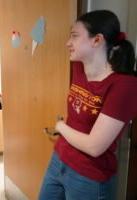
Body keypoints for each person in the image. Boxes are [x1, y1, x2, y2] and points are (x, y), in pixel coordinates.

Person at [39, 10, 137, 200]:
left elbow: (94, 146)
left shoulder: (125, 85)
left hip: (89, 175)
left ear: (97, 40)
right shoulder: (79, 66)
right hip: (59, 159)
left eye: (74, 36)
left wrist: (61, 127)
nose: (68, 42)